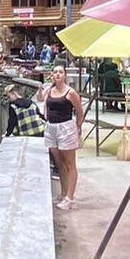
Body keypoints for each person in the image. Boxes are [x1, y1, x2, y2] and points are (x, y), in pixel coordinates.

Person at [37, 66, 83, 209]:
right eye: (55, 72)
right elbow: (40, 99)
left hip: (66, 127)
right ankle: (63, 193)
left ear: (65, 75)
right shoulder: (50, 90)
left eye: (60, 72)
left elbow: (80, 112)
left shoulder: (71, 93)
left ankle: (70, 197)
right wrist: (40, 90)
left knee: (70, 164)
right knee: (59, 163)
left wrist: (78, 127)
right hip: (51, 127)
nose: (57, 74)